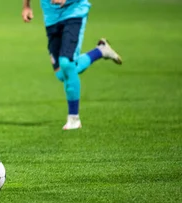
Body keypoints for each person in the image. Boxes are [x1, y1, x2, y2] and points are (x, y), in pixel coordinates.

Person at [21, 0, 123, 130]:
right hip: (51, 17)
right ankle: (101, 50)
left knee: (66, 62)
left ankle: (74, 118)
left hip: (74, 11)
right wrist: (26, 5)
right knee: (61, 74)